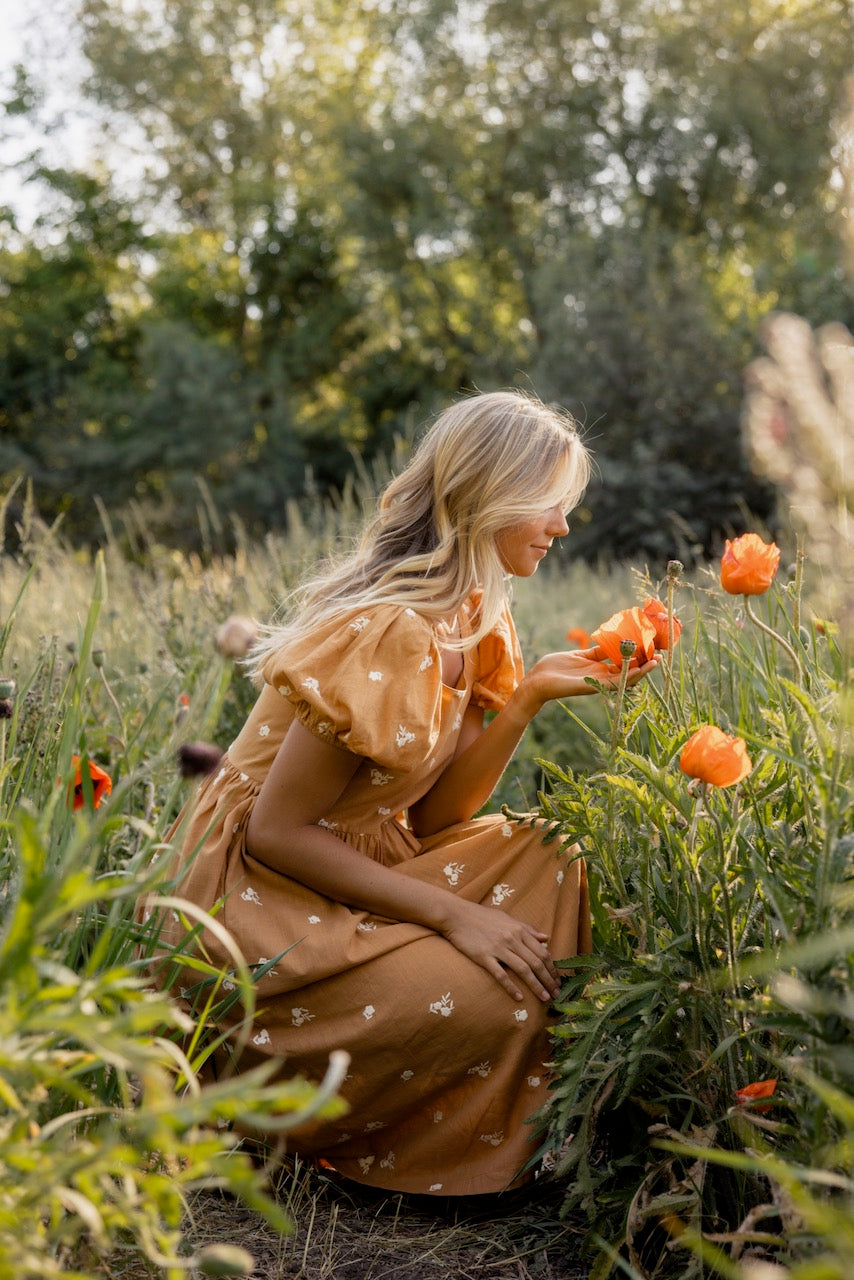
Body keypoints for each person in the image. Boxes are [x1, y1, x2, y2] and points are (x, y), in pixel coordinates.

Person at [142, 389, 657, 1197]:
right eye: (551, 507)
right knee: (491, 997)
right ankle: (315, 1136)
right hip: (257, 902)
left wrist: (526, 701)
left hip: (357, 858)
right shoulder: (390, 626)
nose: (562, 527)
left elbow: (432, 818)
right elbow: (276, 832)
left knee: (554, 854)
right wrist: (456, 913)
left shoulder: (478, 618)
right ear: (493, 498)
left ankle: (480, 1112)